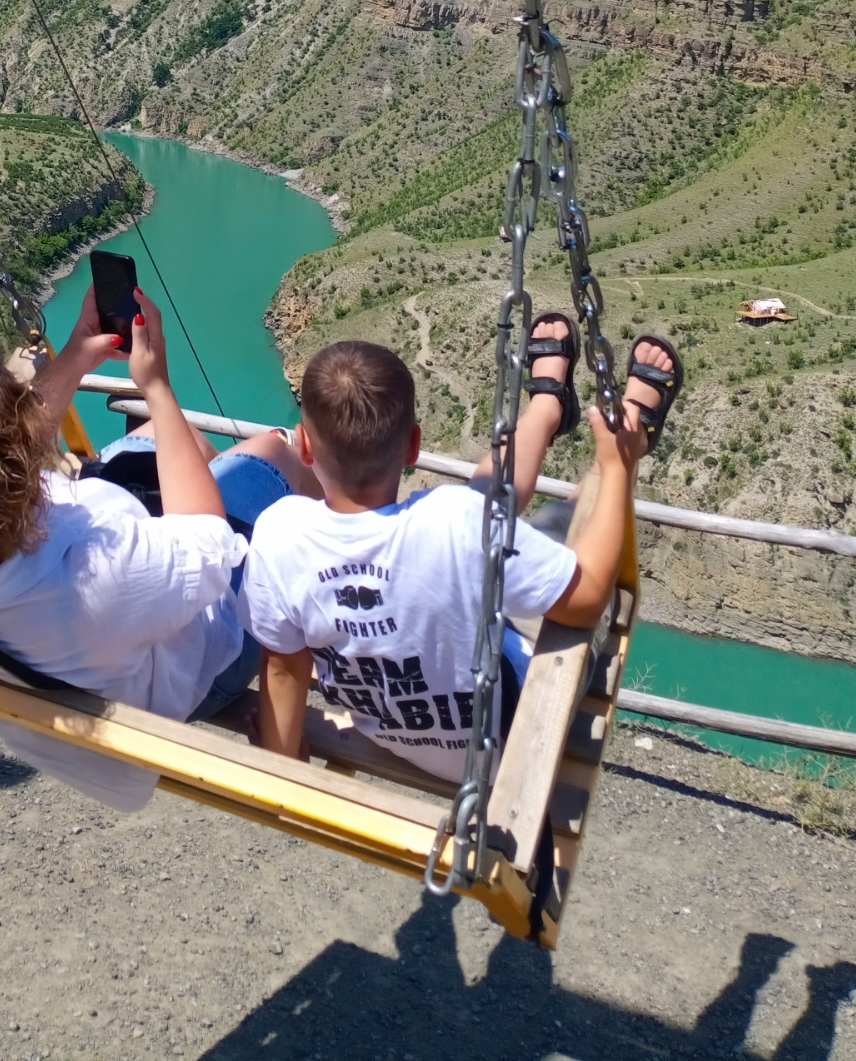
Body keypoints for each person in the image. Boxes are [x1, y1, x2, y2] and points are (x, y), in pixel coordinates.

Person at [0, 283, 319, 810]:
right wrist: (158, 387)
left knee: (176, 439)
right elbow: (211, 544)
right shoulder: (92, 578)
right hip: (203, 663)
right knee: (276, 453)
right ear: (14, 479)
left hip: (82, 653)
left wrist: (80, 350)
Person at [243, 321, 681, 780]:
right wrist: (617, 465)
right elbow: (588, 599)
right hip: (506, 740)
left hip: (391, 732)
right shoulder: (457, 520)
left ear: (306, 447)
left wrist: (282, 763)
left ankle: (548, 409)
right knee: (558, 522)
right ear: (413, 446)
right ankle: (625, 437)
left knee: (476, 511)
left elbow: (283, 670)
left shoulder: (279, 534)